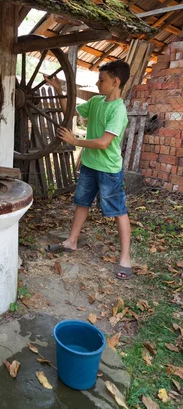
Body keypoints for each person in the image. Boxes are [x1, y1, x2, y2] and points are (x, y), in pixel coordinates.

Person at [43, 60, 132, 280]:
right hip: (90, 166)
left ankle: (125, 258)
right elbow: (71, 110)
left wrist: (75, 141)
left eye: (102, 80)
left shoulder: (118, 111)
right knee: (81, 203)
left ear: (116, 81)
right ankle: (71, 242)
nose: (97, 83)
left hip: (108, 169)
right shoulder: (96, 102)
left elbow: (103, 142)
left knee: (118, 210)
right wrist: (59, 90)